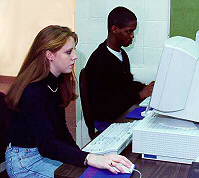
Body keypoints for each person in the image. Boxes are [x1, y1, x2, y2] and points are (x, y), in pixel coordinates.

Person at [4, 25, 133, 178]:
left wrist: (81, 156)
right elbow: (48, 146)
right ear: (50, 55)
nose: (75, 56)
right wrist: (89, 158)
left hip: (43, 154)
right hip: (26, 161)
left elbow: (61, 130)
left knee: (88, 171)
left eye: (74, 50)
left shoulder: (55, 82)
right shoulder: (33, 91)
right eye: (68, 52)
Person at [85, 6, 155, 131]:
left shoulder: (122, 54)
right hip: (107, 120)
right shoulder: (100, 61)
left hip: (121, 113)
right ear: (114, 29)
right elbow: (107, 106)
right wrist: (140, 94)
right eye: (129, 31)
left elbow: (125, 86)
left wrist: (145, 87)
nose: (132, 36)